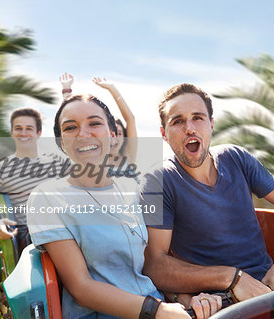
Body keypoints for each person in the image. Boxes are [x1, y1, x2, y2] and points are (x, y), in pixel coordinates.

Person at [26, 94, 222, 319]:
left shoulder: (132, 188)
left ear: (112, 135)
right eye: (70, 128)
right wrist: (157, 310)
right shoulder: (46, 198)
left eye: (94, 123)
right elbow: (81, 287)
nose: (83, 134)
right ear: (61, 142)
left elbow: (149, 265)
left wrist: (183, 299)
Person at [141, 83, 274, 306]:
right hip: (219, 301)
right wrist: (231, 278)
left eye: (198, 118)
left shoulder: (236, 157)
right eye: (178, 121)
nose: (190, 128)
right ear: (164, 133)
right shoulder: (157, 181)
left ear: (211, 124)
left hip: (272, 286)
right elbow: (155, 265)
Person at [0, 108, 69, 251]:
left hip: (66, 224)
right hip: (31, 233)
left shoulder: (57, 161)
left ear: (39, 133)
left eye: (29, 128)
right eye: (18, 128)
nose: (23, 133)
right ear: (12, 132)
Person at [59, 73, 137, 171]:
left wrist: (112, 88)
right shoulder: (95, 161)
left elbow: (130, 119)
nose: (114, 137)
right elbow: (70, 115)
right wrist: (67, 89)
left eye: (119, 133)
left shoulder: (128, 157)